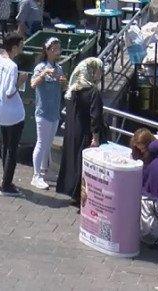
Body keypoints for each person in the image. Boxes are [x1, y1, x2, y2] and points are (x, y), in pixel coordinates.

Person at [0, 34, 29, 197]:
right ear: (14, 48)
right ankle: (6, 184)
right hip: (13, 113)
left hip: (0, 109)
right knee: (12, 148)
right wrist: (20, 81)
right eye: (21, 45)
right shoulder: (12, 66)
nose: (22, 48)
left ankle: (6, 179)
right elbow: (10, 92)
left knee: (5, 145)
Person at [55, 57, 105, 204]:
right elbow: (95, 116)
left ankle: (71, 191)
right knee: (83, 164)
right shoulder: (93, 91)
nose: (101, 74)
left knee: (72, 160)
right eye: (98, 71)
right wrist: (95, 137)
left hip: (71, 132)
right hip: (84, 132)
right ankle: (81, 195)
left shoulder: (73, 89)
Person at [29, 37, 65, 190]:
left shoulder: (59, 68)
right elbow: (32, 84)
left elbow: (63, 89)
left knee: (48, 143)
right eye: (55, 49)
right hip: (43, 112)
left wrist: (63, 82)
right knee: (41, 143)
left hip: (54, 111)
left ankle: (44, 171)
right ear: (48, 50)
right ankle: (36, 176)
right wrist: (43, 74)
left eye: (59, 48)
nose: (57, 51)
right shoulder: (41, 67)